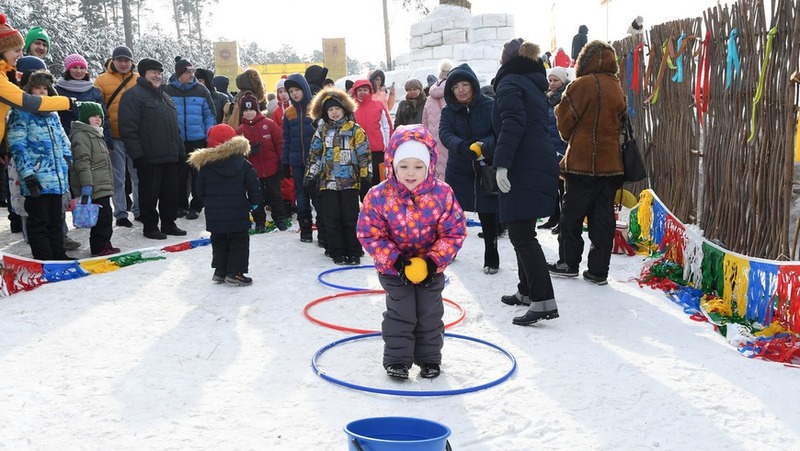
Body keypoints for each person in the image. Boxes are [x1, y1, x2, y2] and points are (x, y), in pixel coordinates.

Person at [357, 124, 466, 379]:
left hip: (431, 268)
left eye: (418, 166)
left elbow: (454, 231)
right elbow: (369, 233)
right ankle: (397, 360)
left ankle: (429, 359)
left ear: (429, 165)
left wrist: (432, 261)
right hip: (394, 269)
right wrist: (396, 261)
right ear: (392, 164)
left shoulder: (442, 194)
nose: (411, 173)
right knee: (401, 312)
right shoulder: (378, 195)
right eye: (404, 166)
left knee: (429, 313)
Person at [491, 38, 561, 326]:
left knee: (522, 234)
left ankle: (543, 300)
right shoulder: (532, 84)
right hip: (536, 162)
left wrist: (502, 164)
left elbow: (512, 125)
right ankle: (527, 290)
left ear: (507, 62)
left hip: (522, 165)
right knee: (523, 229)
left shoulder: (510, 84)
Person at [552, 40, 626, 285]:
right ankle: (598, 270)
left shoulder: (580, 85)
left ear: (584, 60)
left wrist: (573, 137)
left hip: (581, 165)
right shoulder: (616, 86)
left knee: (571, 216)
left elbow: (564, 122)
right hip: (611, 165)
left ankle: (569, 262)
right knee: (603, 218)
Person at [439, 63, 499, 274]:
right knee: (452, 214)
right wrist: (463, 147)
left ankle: (491, 253)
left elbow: (497, 132)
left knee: (488, 214)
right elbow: (445, 134)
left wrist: (483, 146)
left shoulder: (490, 105)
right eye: (456, 87)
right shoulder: (448, 111)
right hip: (459, 168)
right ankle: (449, 249)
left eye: (465, 84)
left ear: (473, 85)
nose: (461, 90)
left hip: (485, 167)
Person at [7, 70, 74, 260]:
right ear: (29, 90)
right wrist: (27, 174)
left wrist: (67, 159)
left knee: (56, 219)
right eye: (38, 88)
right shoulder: (21, 113)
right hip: (36, 178)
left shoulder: (52, 115)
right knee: (39, 221)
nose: (42, 92)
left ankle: (59, 255)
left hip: (57, 178)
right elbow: (18, 145)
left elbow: (62, 139)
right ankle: (44, 258)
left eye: (46, 88)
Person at [119, 57, 186, 240]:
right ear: (144, 74)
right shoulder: (133, 96)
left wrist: (180, 152)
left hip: (170, 156)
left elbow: (175, 128)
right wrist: (138, 157)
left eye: (159, 72)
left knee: (170, 193)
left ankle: (169, 223)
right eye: (153, 72)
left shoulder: (166, 97)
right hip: (149, 157)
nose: (157, 75)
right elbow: (128, 129)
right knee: (149, 195)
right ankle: (150, 227)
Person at [188, 124, 261, 286]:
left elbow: (199, 190)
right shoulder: (243, 164)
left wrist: (209, 202)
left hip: (215, 214)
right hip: (237, 213)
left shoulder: (206, 167)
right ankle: (235, 272)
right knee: (239, 241)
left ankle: (220, 270)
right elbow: (253, 185)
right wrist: (254, 203)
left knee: (219, 240)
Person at [305, 87, 371, 265]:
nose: (334, 112)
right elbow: (315, 155)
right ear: (326, 113)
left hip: (350, 182)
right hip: (329, 183)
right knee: (332, 218)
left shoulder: (355, 130)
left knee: (350, 218)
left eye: (337, 109)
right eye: (330, 110)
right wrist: (311, 176)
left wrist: (365, 177)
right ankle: (337, 251)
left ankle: (354, 250)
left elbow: (364, 155)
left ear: (344, 109)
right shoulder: (322, 131)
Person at [164, 56, 216, 221]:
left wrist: (209, 134)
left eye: (193, 71)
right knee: (179, 176)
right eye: (188, 72)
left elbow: (210, 115)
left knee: (198, 176)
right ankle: (180, 205)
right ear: (179, 73)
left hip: (198, 140)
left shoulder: (201, 90)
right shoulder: (168, 91)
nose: (191, 75)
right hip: (177, 140)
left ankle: (197, 205)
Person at [95, 45, 140, 228]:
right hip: (114, 137)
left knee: (139, 176)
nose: (123, 63)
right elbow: (98, 108)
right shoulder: (101, 80)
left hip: (136, 136)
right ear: (112, 61)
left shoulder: (139, 79)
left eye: (126, 60)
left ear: (132, 62)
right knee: (118, 178)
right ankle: (121, 213)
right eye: (119, 60)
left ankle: (139, 210)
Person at [68, 101, 119, 257]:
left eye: (100, 116)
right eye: (93, 116)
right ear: (84, 118)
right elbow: (82, 162)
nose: (98, 119)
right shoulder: (82, 136)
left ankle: (105, 243)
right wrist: (86, 185)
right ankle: (98, 247)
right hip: (94, 185)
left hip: (102, 184)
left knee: (106, 217)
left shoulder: (96, 134)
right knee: (101, 219)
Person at [236, 91, 288, 232]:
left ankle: (279, 219)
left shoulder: (269, 124)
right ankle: (259, 221)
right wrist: (248, 151)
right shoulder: (240, 130)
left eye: (251, 109)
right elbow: (238, 153)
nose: (249, 113)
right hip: (254, 172)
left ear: (257, 109)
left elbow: (279, 144)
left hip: (271, 169)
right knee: (256, 198)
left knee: (275, 196)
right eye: (245, 110)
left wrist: (282, 163)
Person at [280, 73, 320, 244]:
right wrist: (284, 161)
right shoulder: (288, 113)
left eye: (297, 89)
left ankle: (323, 230)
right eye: (291, 91)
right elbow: (286, 139)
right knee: (301, 197)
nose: (294, 93)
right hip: (297, 163)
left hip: (316, 163)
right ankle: (305, 230)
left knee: (318, 197)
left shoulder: (316, 109)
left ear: (304, 88)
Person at [538, 66, 570, 234]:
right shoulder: (547, 98)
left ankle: (563, 221)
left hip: (563, 148)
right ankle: (554, 216)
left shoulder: (567, 97)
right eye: (550, 80)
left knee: (564, 187)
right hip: (550, 146)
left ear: (563, 80)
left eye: (555, 80)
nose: (551, 83)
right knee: (552, 185)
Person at [55, 53, 112, 144]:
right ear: (68, 69)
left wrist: (108, 143)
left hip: (93, 141)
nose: (78, 71)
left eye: (82, 68)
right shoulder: (57, 91)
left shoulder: (94, 91)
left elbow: (104, 118)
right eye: (74, 67)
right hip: (67, 139)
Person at [352, 78, 391, 187]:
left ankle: (379, 203)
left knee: (379, 181)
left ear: (370, 91)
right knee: (363, 182)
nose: (362, 92)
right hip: (358, 151)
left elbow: (386, 126)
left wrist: (387, 145)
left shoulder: (378, 105)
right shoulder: (351, 108)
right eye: (359, 90)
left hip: (377, 150)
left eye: (365, 89)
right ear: (355, 92)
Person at [422, 59, 453, 179]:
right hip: (449, 139)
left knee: (436, 173)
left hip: (432, 142)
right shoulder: (453, 94)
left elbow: (424, 122)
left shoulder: (429, 97)